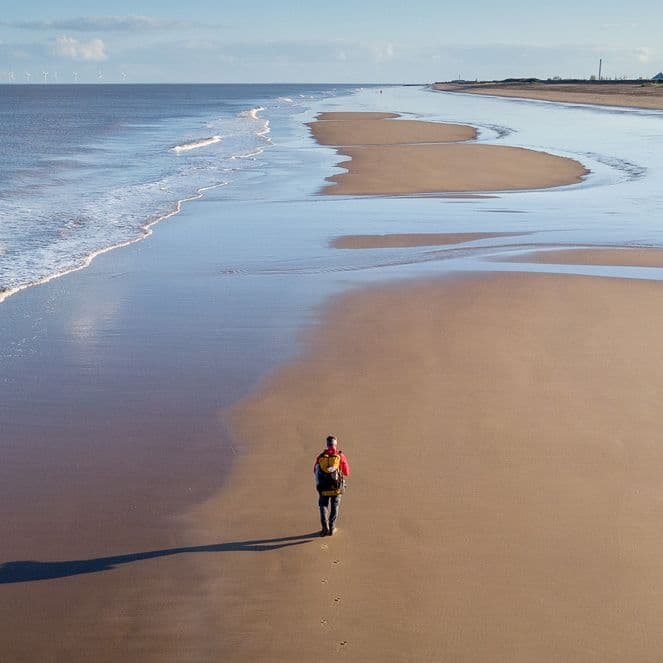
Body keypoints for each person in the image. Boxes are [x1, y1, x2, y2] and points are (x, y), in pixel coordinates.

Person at [314, 435, 350, 537]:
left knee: (323, 506)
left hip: (323, 488)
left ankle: (324, 527)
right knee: (335, 506)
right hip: (337, 489)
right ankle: (332, 527)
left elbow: (315, 471)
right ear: (335, 444)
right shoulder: (340, 456)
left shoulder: (321, 457)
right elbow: (347, 472)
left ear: (327, 444)